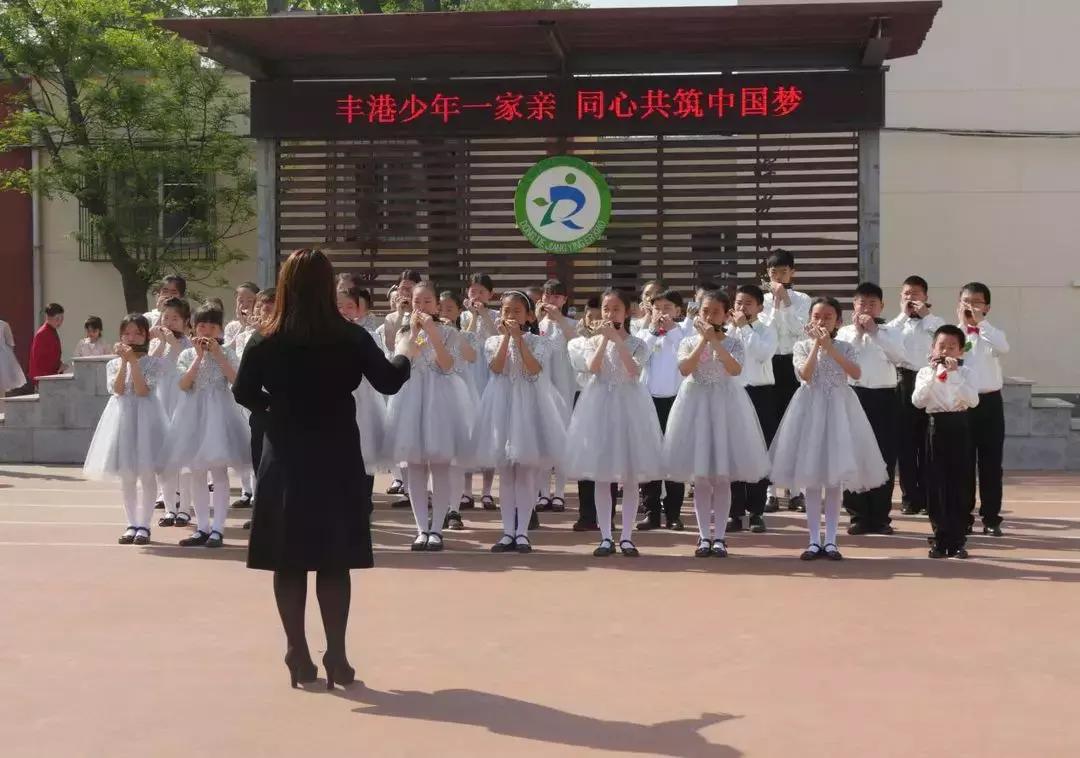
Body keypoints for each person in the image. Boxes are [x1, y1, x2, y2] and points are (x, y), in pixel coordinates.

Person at [234, 248, 410, 690]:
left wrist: (274, 408)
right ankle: (337, 655)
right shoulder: (349, 336)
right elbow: (388, 381)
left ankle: (296, 650)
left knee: (288, 559)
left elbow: (243, 392)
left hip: (284, 452)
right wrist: (404, 352)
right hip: (335, 451)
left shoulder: (265, 339)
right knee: (334, 559)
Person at [769, 297, 887, 561]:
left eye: (828, 317)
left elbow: (855, 373)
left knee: (834, 482)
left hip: (839, 411)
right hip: (809, 410)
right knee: (812, 480)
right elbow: (805, 375)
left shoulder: (846, 346)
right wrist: (816, 346)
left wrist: (830, 348)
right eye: (817, 316)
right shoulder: (801, 346)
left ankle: (831, 540)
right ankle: (813, 540)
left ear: (838, 322)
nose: (822, 322)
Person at [663, 290, 770, 558]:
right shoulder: (688, 341)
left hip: (726, 406)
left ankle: (720, 537)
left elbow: (735, 369)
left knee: (722, 477)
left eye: (716, 312)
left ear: (726, 315)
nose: (710, 316)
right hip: (694, 406)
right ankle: (703, 536)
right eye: (705, 311)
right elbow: (685, 369)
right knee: (701, 478)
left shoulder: (734, 342)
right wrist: (703, 341)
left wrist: (715, 341)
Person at [564, 288, 664, 558]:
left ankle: (627, 537)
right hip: (599, 407)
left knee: (630, 477)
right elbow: (593, 368)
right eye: (606, 309)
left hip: (631, 408)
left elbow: (633, 370)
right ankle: (606, 536)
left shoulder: (638, 343)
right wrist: (603, 341)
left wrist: (617, 340)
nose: (609, 314)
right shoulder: (592, 341)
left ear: (627, 312)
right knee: (602, 475)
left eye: (616, 309)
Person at [383, 282, 476, 553]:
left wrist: (433, 332)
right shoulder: (404, 332)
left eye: (427, 302)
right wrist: (414, 331)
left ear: (436, 305)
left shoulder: (449, 332)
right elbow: (402, 360)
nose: (421, 307)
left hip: (441, 400)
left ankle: (437, 529)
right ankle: (421, 529)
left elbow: (448, 365)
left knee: (440, 466)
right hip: (412, 400)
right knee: (414, 468)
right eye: (417, 302)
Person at [474, 291, 567, 553]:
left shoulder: (539, 342)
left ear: (528, 316)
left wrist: (518, 339)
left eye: (517, 311)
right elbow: (496, 367)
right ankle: (507, 532)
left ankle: (523, 532)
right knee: (506, 475)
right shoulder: (493, 341)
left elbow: (533, 369)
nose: (511, 315)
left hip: (528, 407)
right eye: (506, 311)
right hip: (501, 406)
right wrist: (506, 338)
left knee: (525, 474)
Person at [162, 303, 251, 549]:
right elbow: (183, 385)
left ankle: (218, 529)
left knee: (219, 473)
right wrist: (199, 356)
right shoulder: (186, 355)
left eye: (212, 326)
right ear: (193, 327)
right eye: (202, 325)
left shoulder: (228, 352)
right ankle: (202, 527)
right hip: (192, 416)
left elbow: (235, 381)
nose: (207, 330)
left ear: (220, 329)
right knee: (196, 472)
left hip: (220, 415)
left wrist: (218, 355)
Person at [82, 314, 169, 546]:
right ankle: (131, 524)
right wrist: (124, 362)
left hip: (146, 419)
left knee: (147, 473)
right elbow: (119, 389)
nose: (132, 338)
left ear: (146, 336)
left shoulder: (154, 363)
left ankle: (144, 525)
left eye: (138, 333)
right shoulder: (112, 364)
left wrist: (134, 362)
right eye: (127, 333)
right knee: (127, 475)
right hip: (123, 419)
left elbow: (142, 390)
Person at [836, 283, 906, 536]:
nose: (866, 309)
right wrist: (858, 332)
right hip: (853, 394)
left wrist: (875, 332)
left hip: (884, 397)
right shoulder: (844, 333)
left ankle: (880, 516)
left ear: (881, 307)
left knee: (884, 455)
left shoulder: (891, 331)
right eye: (862, 303)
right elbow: (842, 360)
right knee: (853, 454)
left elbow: (899, 357)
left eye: (872, 304)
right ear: (853, 306)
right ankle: (858, 515)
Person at [912, 325, 980, 559]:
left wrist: (955, 375)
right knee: (936, 483)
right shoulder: (924, 372)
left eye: (952, 347)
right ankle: (940, 538)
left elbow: (973, 401)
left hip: (960, 425)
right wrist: (934, 374)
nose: (946, 351)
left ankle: (958, 540)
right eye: (941, 346)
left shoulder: (967, 372)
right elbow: (918, 401)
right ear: (933, 348)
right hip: (936, 426)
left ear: (961, 351)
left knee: (960, 484)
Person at [887, 275, 944, 516]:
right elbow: (886, 337)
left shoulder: (936, 322)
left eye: (916, 293)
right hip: (903, 381)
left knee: (928, 444)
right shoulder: (895, 323)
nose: (911, 298)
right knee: (906, 445)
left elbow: (943, 339)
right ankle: (910, 497)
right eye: (907, 294)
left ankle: (929, 497)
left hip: (930, 381)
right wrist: (904, 314)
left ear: (926, 297)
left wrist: (925, 316)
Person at [760, 250, 811, 512]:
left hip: (792, 364)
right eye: (773, 272)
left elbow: (799, 330)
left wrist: (786, 302)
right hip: (768, 366)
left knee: (793, 427)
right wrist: (775, 304)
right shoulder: (762, 301)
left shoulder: (803, 299)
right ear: (767, 274)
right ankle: (770, 492)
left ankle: (795, 491)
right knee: (769, 426)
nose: (778, 277)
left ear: (793, 272)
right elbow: (766, 332)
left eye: (783, 271)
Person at [957, 282, 1009, 537]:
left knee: (990, 464)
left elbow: (1003, 347)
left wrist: (980, 324)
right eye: (966, 301)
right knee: (963, 463)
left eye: (976, 302)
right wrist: (963, 326)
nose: (971, 306)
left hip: (990, 403)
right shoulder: (955, 335)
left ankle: (991, 518)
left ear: (987, 307)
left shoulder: (992, 333)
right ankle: (963, 517)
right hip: (963, 403)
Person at [726, 284, 778, 533]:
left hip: (760, 393)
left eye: (747, 303)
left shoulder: (767, 330)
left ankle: (756, 511)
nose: (742, 307)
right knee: (733, 452)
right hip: (733, 392)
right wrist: (734, 329)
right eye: (738, 303)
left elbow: (761, 354)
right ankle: (734, 512)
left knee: (760, 450)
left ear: (759, 307)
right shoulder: (727, 330)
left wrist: (745, 328)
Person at [636, 288, 687, 532]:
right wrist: (653, 332)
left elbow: (685, 352)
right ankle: (651, 512)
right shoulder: (644, 333)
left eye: (667, 308)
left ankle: (674, 513)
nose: (662, 313)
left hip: (678, 401)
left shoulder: (685, 332)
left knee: (675, 457)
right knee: (650, 457)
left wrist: (672, 330)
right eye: (657, 308)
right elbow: (638, 358)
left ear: (678, 311)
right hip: (648, 401)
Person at [338, 286, 390, 505]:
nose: (344, 310)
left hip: (365, 400)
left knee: (365, 449)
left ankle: (365, 501)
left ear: (359, 310)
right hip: (336, 402)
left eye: (350, 306)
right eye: (339, 306)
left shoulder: (369, 336)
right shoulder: (323, 337)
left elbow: (379, 369)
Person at [437, 290, 480, 531]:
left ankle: (454, 509)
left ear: (458, 312)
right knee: (435, 456)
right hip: (433, 398)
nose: (444, 312)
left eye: (449, 309)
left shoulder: (465, 335)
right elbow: (412, 352)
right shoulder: (424, 334)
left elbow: (472, 356)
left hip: (460, 399)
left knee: (455, 459)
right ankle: (439, 508)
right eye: (440, 308)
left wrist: (453, 333)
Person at [148, 298, 193, 526]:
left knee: (183, 460)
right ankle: (169, 508)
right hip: (161, 404)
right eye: (166, 317)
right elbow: (149, 367)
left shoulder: (189, 344)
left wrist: (171, 341)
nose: (169, 322)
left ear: (186, 322)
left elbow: (185, 363)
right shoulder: (157, 344)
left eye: (175, 318)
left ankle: (184, 508)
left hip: (182, 404)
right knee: (164, 459)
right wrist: (159, 342)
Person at [536, 279, 578, 512]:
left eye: (556, 296)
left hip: (564, 388)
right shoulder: (536, 324)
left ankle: (560, 493)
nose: (551, 300)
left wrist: (559, 319)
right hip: (541, 388)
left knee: (562, 438)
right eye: (547, 295)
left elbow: (577, 343)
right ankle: (543, 493)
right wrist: (535, 320)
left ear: (564, 300)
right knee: (542, 439)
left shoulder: (571, 323)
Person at [238, 288, 277, 530]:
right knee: (259, 463)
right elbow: (242, 384)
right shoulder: (250, 338)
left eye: (271, 307)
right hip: (259, 408)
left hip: (286, 410)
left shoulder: (287, 337)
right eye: (261, 307)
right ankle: (260, 513)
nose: (265, 312)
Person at [29, 303, 66, 385]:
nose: (60, 322)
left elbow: (52, 355)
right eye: (57, 319)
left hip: (50, 376)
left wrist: (60, 365)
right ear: (48, 317)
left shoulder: (52, 331)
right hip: (44, 378)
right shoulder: (42, 333)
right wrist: (58, 367)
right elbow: (39, 360)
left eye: (62, 319)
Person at [225, 281, 260, 346]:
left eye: (250, 301)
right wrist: (243, 326)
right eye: (241, 301)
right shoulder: (231, 327)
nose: (245, 305)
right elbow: (227, 349)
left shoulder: (260, 326)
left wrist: (248, 325)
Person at [0, 318, 28, 396]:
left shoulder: (4, 325)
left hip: (2, 360)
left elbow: (10, 344)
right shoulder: (4, 325)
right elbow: (11, 344)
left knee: (1, 388)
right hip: (3, 359)